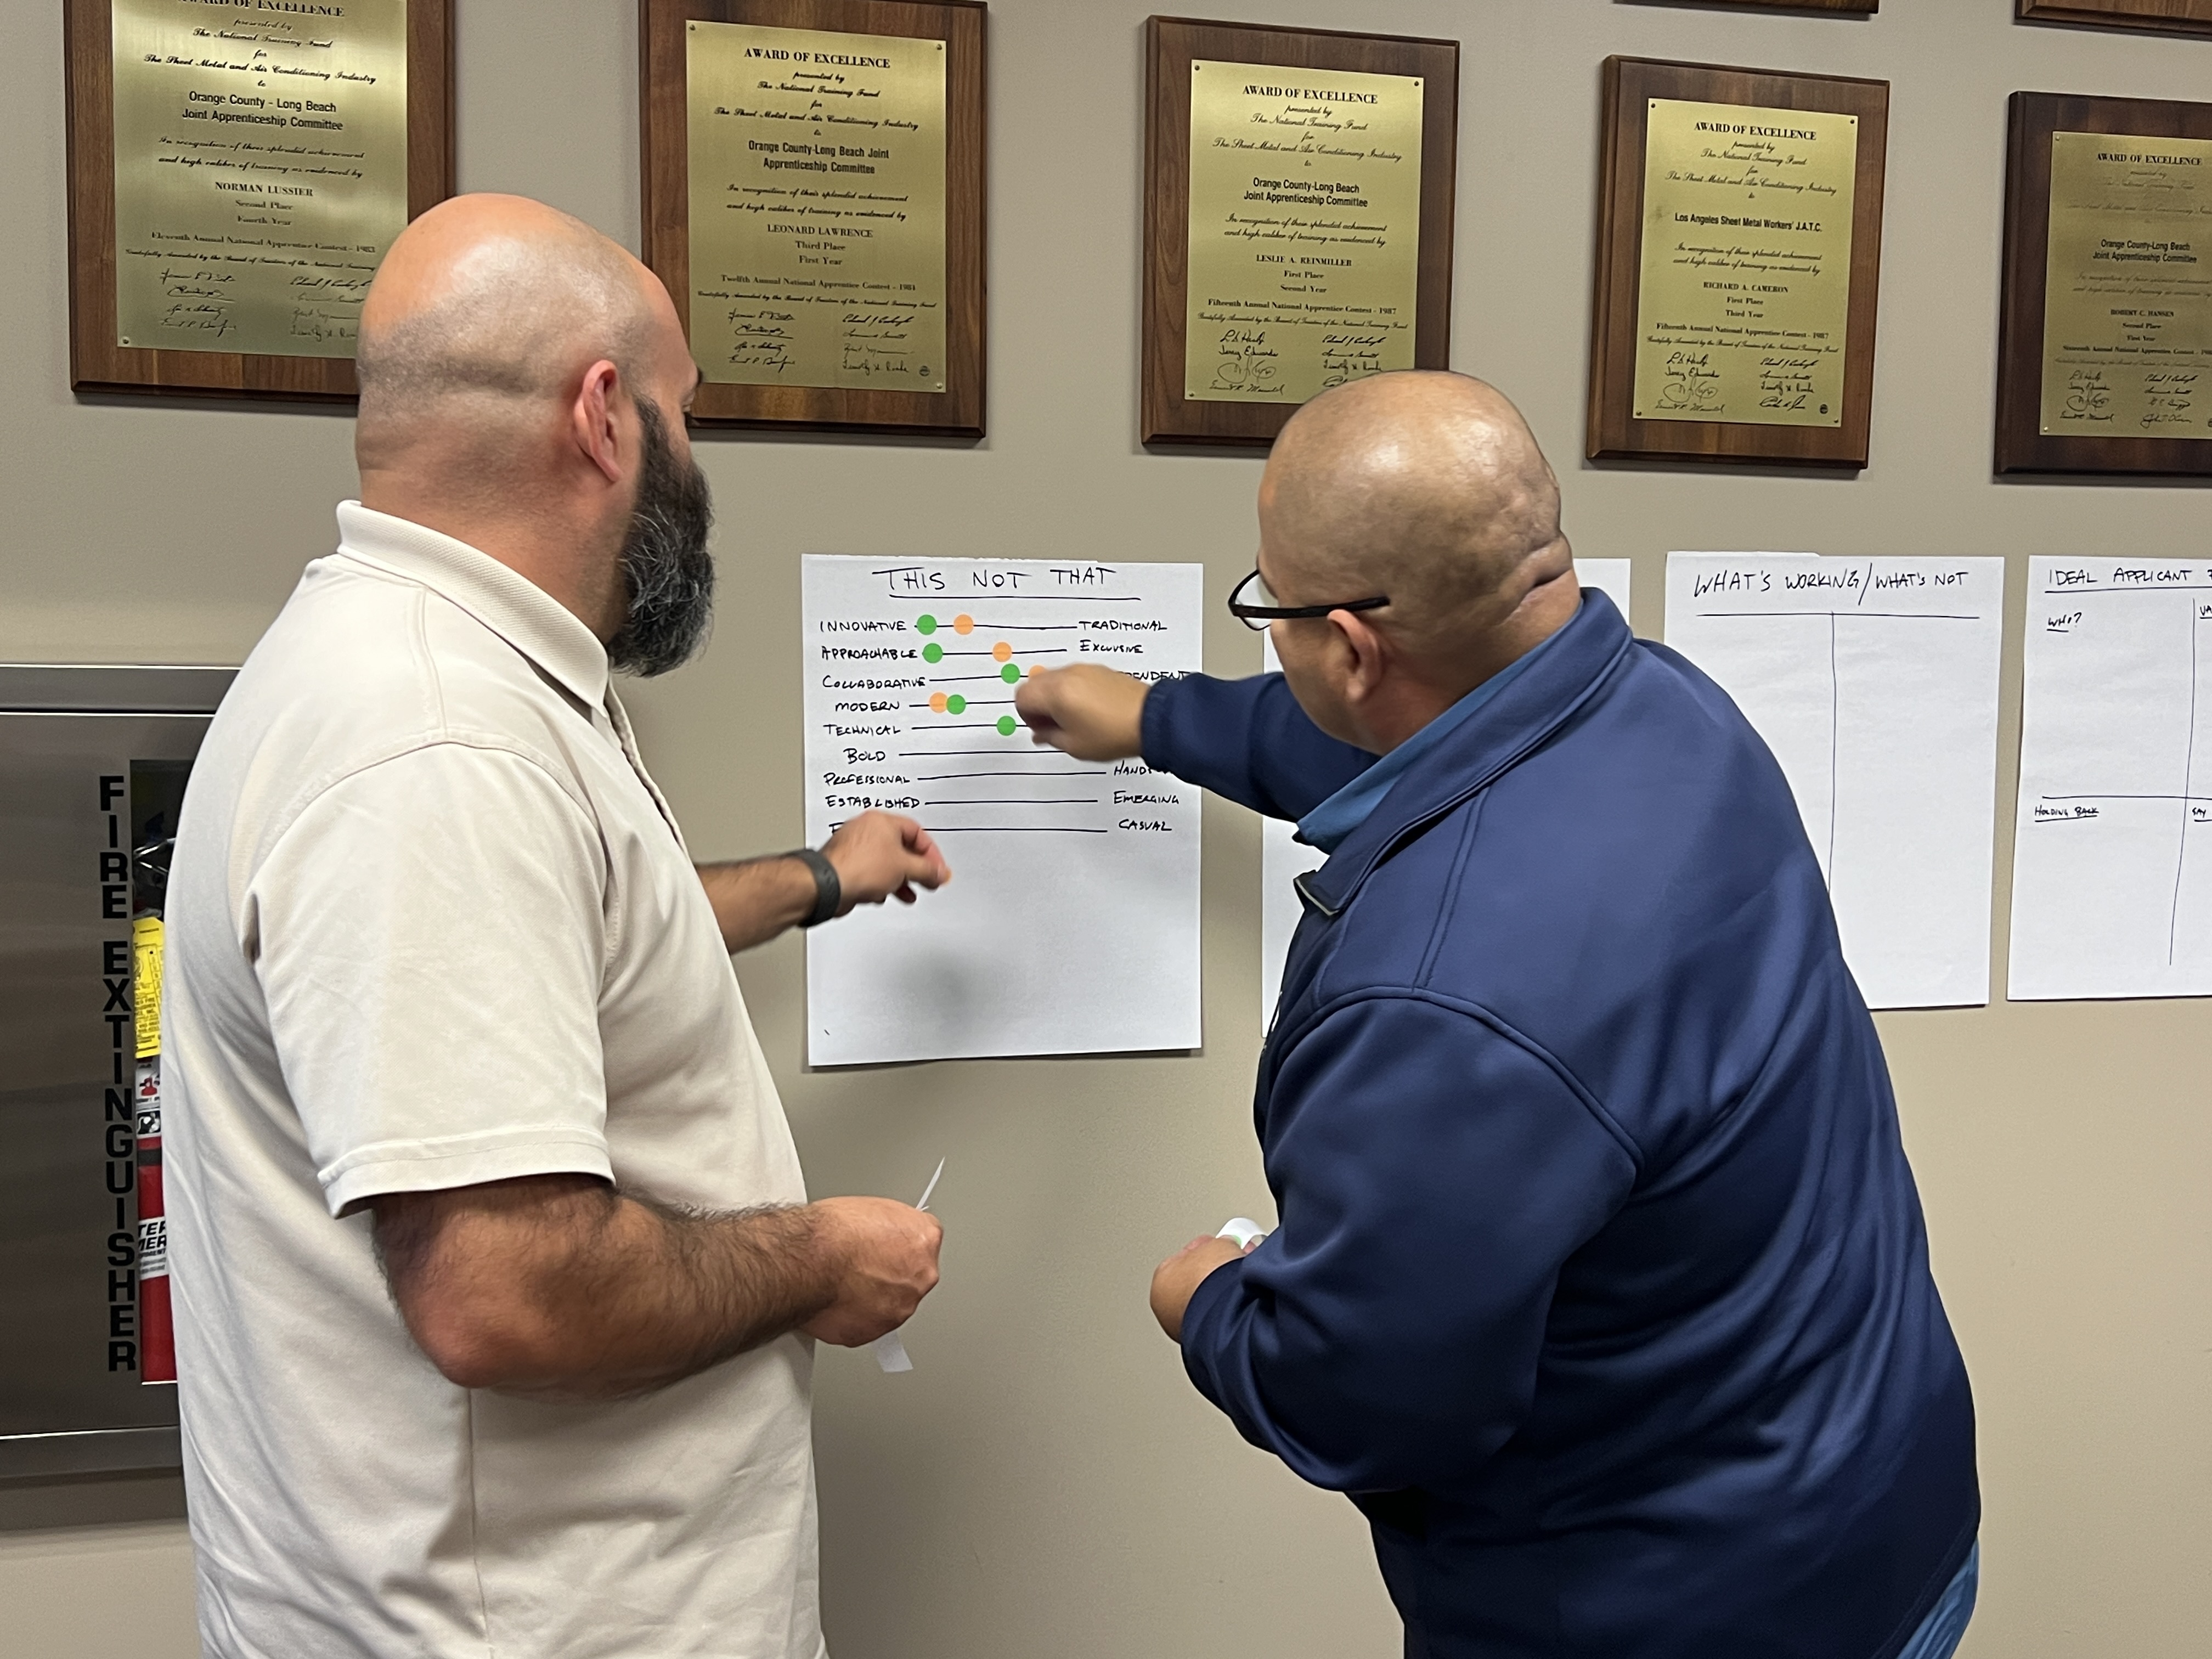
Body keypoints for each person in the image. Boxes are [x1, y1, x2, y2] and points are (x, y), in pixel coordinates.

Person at [1014, 371, 1980, 1659]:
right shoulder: (1664, 706)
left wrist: (1206, 1300)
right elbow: (1432, 744)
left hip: (1673, 1614)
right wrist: (1154, 718)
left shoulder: (1441, 1009)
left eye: (1274, 614)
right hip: (1883, 1522)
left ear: (1352, 648)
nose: (1276, 641)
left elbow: (1372, 1401)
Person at [162, 194, 948, 1658]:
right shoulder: (438, 744)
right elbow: (501, 1291)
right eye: (688, 418)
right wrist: (820, 1260)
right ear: (606, 417)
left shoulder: (422, 671)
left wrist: (823, 879)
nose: (696, 464)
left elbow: (560, 956)